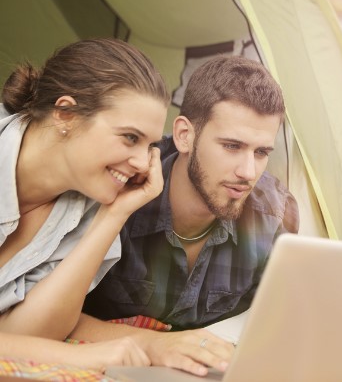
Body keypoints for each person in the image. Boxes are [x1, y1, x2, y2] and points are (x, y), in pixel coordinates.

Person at [0, 38, 233, 376]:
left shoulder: (86, 205)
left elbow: (27, 335)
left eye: (150, 145)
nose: (142, 162)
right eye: (129, 137)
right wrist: (79, 358)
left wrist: (114, 215)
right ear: (65, 112)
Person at [83, 55, 299, 332]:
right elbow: (53, 318)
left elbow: (271, 328)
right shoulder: (118, 186)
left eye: (261, 152)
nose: (248, 172)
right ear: (184, 135)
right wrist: (159, 346)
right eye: (232, 146)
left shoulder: (275, 215)